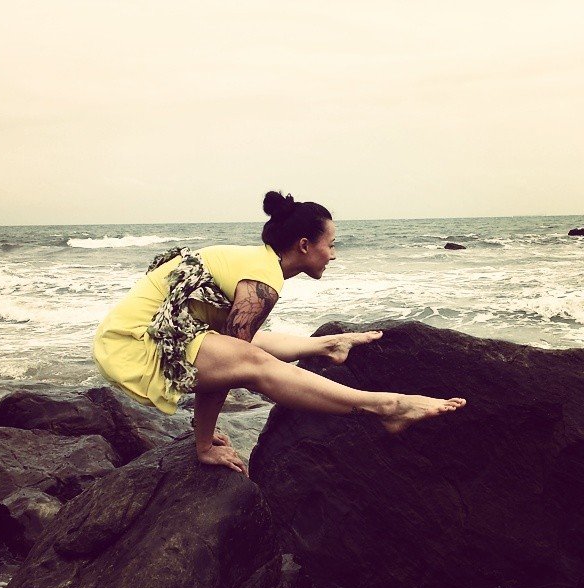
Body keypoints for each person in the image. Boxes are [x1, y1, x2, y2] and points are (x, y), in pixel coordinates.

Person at [93, 191, 466, 476]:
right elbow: (233, 366)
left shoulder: (255, 261)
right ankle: (386, 407)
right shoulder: (263, 278)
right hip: (138, 343)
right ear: (304, 245)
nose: (333, 254)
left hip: (144, 333)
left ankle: (328, 345)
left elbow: (228, 347)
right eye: (330, 245)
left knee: (246, 347)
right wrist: (204, 444)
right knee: (250, 361)